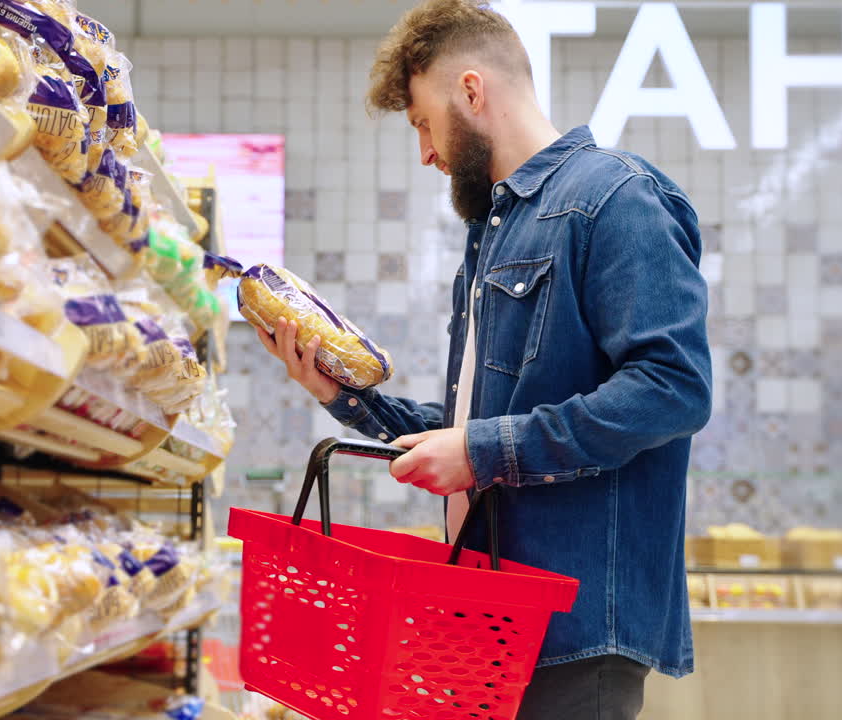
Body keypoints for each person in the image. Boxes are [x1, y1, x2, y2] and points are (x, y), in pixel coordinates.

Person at [254, 1, 712, 717]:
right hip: (495, 614)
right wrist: (343, 394)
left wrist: (483, 450)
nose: (427, 153)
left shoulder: (616, 198)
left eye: (421, 123)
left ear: (472, 91)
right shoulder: (495, 234)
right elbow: (480, 426)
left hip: (578, 627)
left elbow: (673, 389)